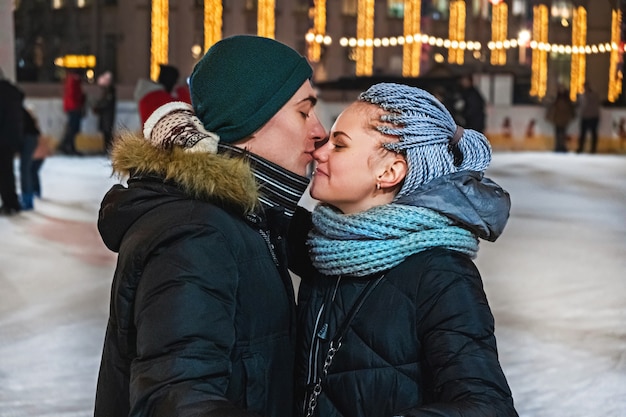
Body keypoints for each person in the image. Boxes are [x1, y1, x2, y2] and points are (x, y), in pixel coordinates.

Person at [94, 35, 326, 417]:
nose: (320, 132)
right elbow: (175, 399)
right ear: (249, 121)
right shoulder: (196, 233)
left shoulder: (247, 218)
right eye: (304, 112)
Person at [289, 83, 518, 417]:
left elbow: (488, 407)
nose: (320, 152)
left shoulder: (442, 274)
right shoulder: (326, 247)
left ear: (390, 172)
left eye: (339, 145)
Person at [0, 67, 25, 215]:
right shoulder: (12, 93)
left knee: (4, 173)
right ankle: (12, 202)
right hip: (12, 138)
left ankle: (10, 203)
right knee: (7, 171)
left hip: (3, 139)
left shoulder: (2, 94)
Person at [59, 69, 86, 155]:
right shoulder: (74, 81)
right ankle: (68, 146)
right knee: (73, 128)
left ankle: (66, 145)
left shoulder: (70, 80)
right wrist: (81, 100)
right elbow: (75, 95)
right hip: (74, 107)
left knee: (72, 128)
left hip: (71, 107)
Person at [19, 106, 41, 210]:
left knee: (27, 169)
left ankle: (28, 199)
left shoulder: (13, 108)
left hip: (29, 140)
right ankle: (30, 194)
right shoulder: (16, 106)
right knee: (28, 169)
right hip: (30, 139)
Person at [546, 84, 575, 153]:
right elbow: (571, 110)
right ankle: (561, 147)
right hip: (563, 120)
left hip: (558, 119)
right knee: (562, 133)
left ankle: (558, 147)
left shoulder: (557, 101)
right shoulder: (567, 101)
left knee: (558, 133)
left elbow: (552, 109)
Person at [92, 71, 117, 153]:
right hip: (105, 115)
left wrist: (99, 107)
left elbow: (107, 102)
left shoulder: (110, 91)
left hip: (107, 115)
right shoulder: (107, 90)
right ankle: (106, 148)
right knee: (106, 133)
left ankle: (108, 148)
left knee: (107, 133)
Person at [576, 82, 601, 154]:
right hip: (588, 116)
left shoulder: (589, 95)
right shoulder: (593, 95)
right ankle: (583, 147)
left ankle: (591, 148)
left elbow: (582, 104)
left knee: (591, 133)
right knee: (584, 133)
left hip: (591, 116)